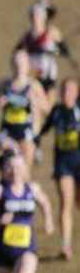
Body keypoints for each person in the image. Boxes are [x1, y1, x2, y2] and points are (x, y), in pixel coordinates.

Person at [37, 78, 80, 259]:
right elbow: (43, 131)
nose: (66, 94)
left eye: (70, 90)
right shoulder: (56, 112)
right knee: (66, 201)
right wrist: (34, 139)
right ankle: (66, 246)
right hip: (63, 165)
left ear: (77, 93)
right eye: (64, 90)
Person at [0, 49, 50, 176]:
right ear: (12, 64)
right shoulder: (5, 84)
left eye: (22, 62)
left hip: (26, 132)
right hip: (7, 131)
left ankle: (25, 193)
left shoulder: (33, 85)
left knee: (23, 173)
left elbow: (47, 108)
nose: (19, 66)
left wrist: (35, 101)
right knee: (7, 173)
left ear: (28, 64)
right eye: (16, 62)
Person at [14, 0, 69, 104]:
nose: (36, 18)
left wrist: (50, 51)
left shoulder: (52, 32)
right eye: (34, 15)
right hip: (33, 73)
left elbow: (65, 51)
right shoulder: (27, 36)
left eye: (38, 15)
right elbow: (17, 53)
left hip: (48, 74)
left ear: (44, 17)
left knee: (49, 106)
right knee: (34, 103)